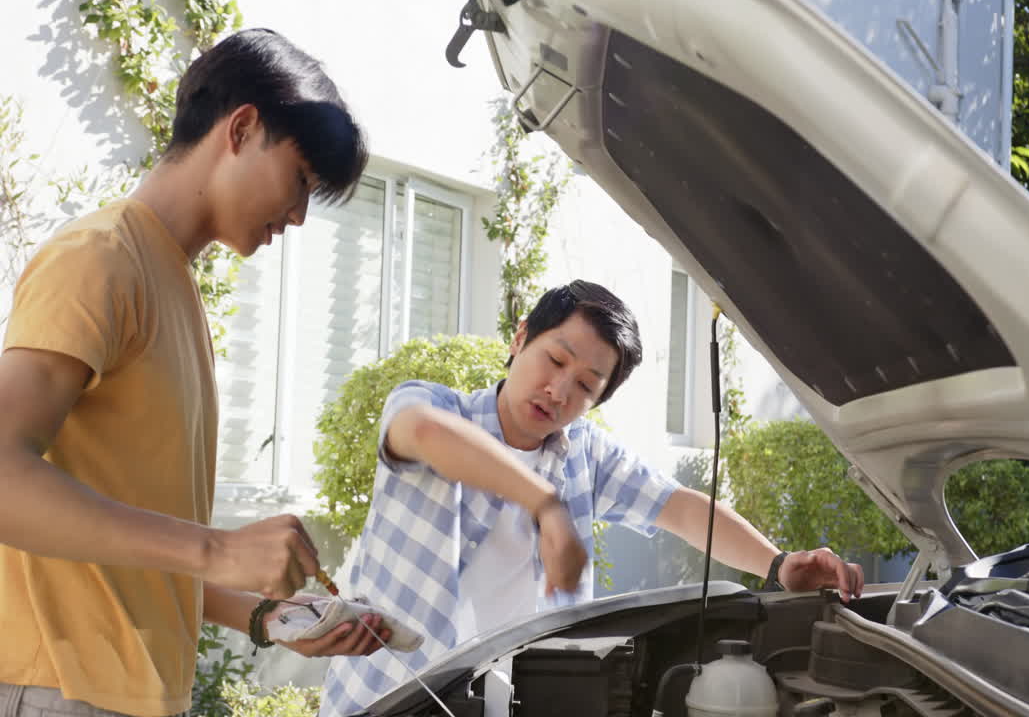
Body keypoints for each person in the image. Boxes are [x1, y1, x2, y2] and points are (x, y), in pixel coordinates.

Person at [0, 28, 391, 717]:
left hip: (131, 695)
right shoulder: (99, 258)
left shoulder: (171, 283)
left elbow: (122, 546)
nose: (299, 216)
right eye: (300, 180)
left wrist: (262, 615)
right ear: (241, 128)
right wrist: (216, 548)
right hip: (59, 689)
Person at [322, 280, 865, 716]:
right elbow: (421, 432)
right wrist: (545, 505)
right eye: (555, 361)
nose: (559, 391)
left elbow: (680, 507)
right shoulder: (434, 406)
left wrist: (777, 564)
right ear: (520, 338)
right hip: (386, 700)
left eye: (586, 386)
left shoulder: (584, 454)